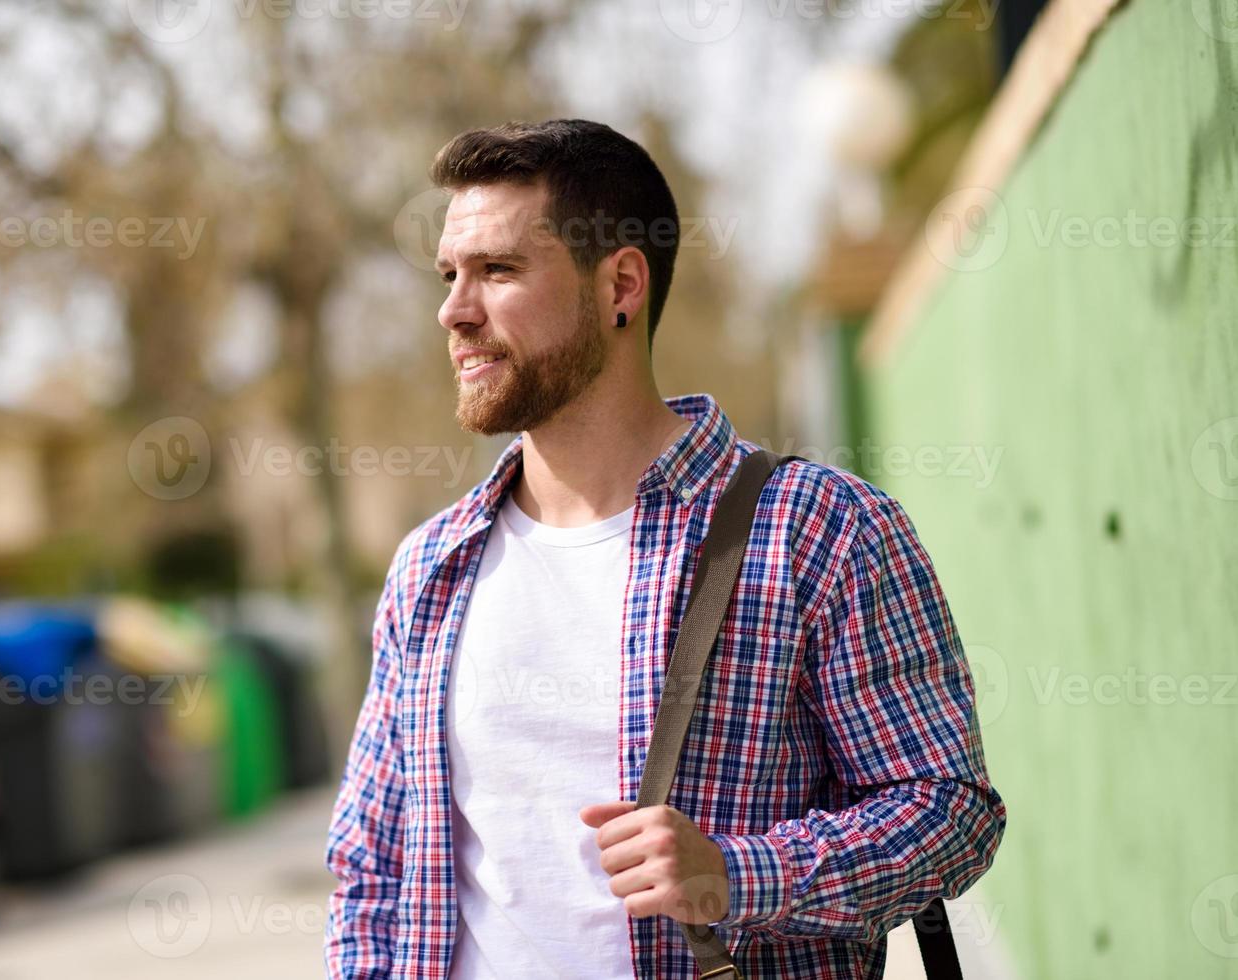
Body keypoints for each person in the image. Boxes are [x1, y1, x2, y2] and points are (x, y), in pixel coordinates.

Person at [324, 118, 1005, 979]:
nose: (453, 311)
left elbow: (948, 813)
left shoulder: (818, 531)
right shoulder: (430, 567)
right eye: (450, 275)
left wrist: (738, 873)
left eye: (497, 270)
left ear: (621, 284)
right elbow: (372, 866)